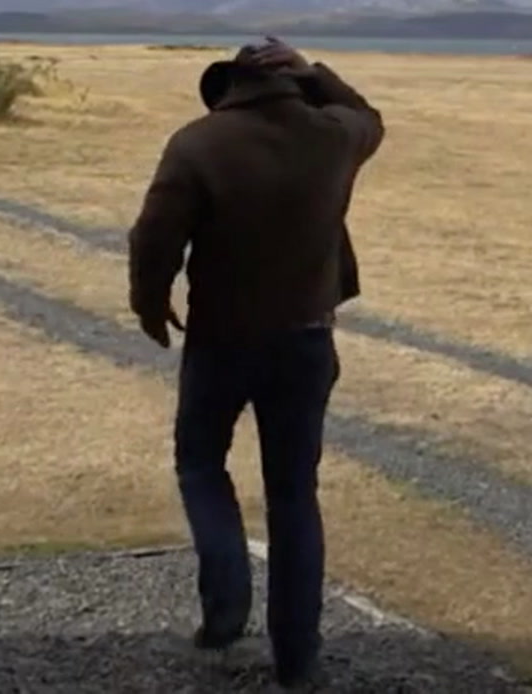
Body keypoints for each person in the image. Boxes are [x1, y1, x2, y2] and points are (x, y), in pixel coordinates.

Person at [126, 37, 384, 689]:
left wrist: (151, 304)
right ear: (292, 82)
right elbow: (369, 116)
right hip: (306, 340)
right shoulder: (333, 136)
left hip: (221, 338)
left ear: (230, 84)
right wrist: (313, 70)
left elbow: (153, 237)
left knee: (199, 464)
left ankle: (224, 612)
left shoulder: (199, 143)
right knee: (294, 495)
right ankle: (297, 659)